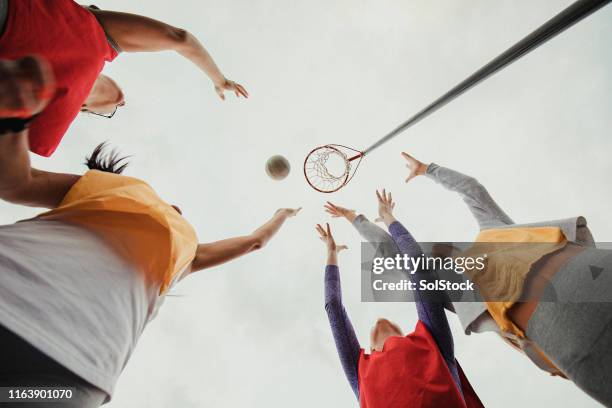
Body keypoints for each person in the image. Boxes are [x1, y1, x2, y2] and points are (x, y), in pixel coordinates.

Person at [0, 63, 296, 407]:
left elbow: (17, 183)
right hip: (69, 374)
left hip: (66, 357)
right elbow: (254, 242)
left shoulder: (129, 199)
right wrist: (281, 215)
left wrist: (15, 118)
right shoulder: (182, 249)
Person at [400, 151, 611, 406]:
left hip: (587, 278)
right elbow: (407, 265)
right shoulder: (461, 293)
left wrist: (427, 169)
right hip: (568, 335)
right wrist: (375, 220)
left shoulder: (494, 230)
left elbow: (472, 190)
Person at [0, 0, 248, 157]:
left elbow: (18, 177)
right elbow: (180, 38)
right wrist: (218, 78)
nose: (122, 103)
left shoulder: (46, 134)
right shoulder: (100, 36)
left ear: (85, 108)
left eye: (112, 112)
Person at [318, 191, 484, 407]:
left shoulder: (361, 371)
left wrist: (388, 219)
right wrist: (333, 251)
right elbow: (418, 267)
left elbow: (333, 307)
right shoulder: (431, 340)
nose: (380, 320)